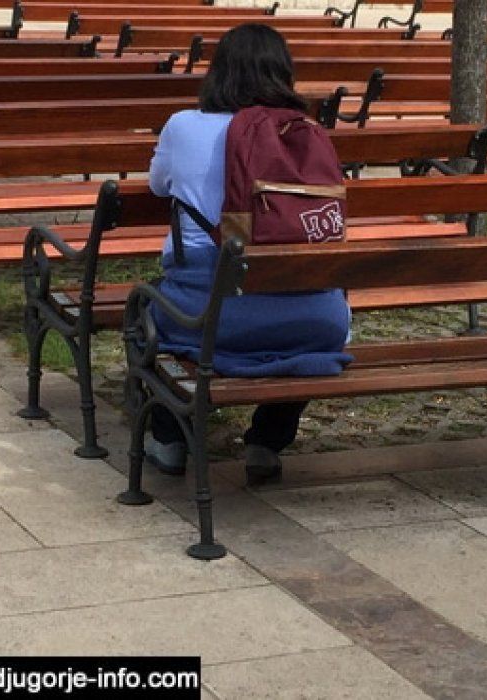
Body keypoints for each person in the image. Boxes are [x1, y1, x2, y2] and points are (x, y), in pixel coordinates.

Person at [144, 24, 351, 483]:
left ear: (219, 72)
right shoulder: (307, 133)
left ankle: (170, 439)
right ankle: (266, 443)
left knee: (145, 317)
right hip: (316, 320)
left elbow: (157, 185)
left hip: (211, 314)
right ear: (283, 72)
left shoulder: (184, 126)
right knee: (301, 323)